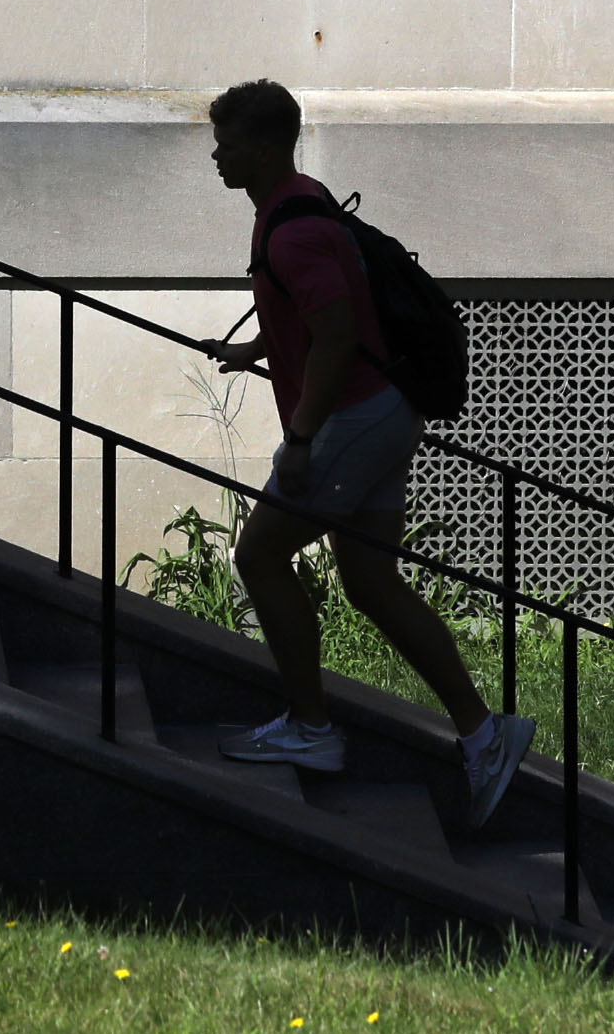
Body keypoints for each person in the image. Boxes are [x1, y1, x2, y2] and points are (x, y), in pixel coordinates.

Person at [197, 78, 532, 825]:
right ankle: (483, 734)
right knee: (371, 581)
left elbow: (341, 332)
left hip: (354, 418)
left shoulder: (291, 229)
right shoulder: (294, 204)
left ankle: (312, 730)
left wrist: (301, 441)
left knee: (258, 556)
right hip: (384, 409)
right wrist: (257, 345)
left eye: (227, 142)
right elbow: (319, 313)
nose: (216, 155)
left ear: (264, 147)